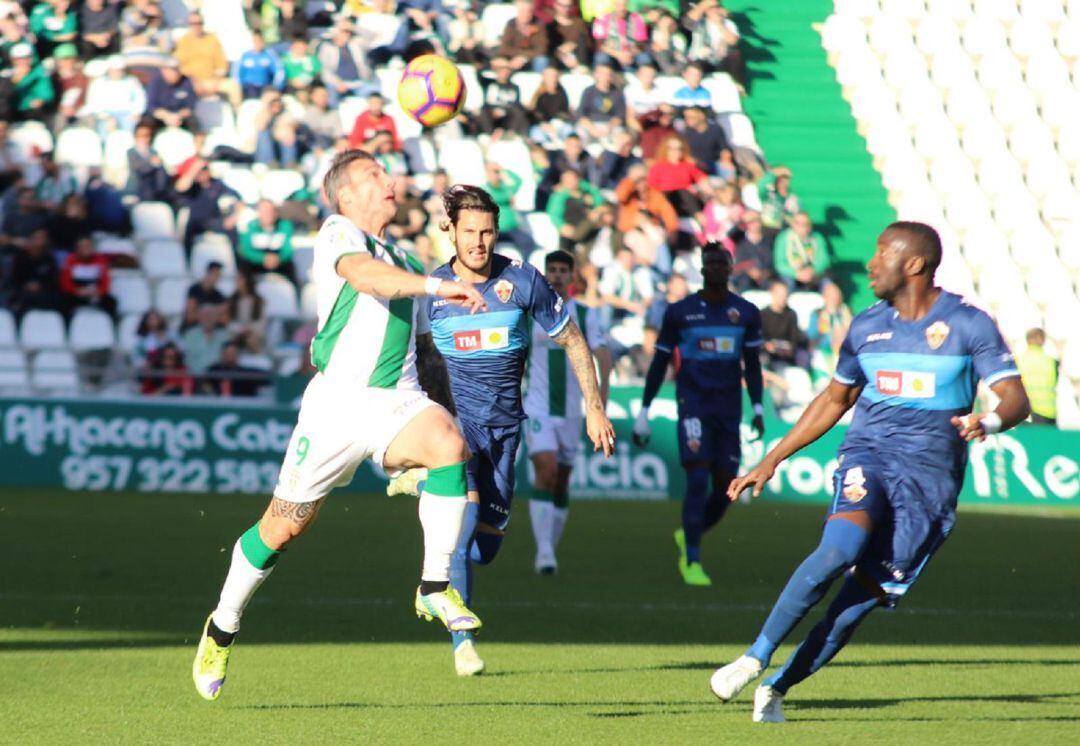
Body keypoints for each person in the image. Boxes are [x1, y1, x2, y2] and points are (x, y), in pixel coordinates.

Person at [192, 149, 489, 701]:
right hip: (336, 406)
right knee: (283, 527)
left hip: (395, 400)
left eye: (387, 172)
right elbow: (365, 278)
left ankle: (433, 585)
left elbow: (420, 348)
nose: (389, 180)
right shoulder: (337, 233)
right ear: (344, 194)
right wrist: (430, 285)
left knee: (449, 444)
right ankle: (223, 625)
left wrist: (449, 404)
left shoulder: (402, 257)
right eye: (374, 175)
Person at [709, 221, 1030, 723]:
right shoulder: (865, 327)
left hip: (930, 486)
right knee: (839, 549)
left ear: (915, 264)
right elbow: (835, 399)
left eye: (882, 253)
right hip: (869, 457)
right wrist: (772, 459)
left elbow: (1015, 398)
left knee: (854, 609)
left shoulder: (969, 325)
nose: (870, 263)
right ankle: (755, 656)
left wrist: (986, 420)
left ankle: (777, 687)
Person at [386, 185, 615, 677]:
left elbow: (574, 341)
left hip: (506, 432)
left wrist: (595, 408)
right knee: (461, 532)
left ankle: (422, 485)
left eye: (487, 231)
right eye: (470, 231)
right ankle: (462, 645)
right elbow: (424, 361)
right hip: (457, 431)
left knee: (484, 549)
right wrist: (428, 426)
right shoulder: (434, 291)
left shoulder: (522, 281)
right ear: (450, 231)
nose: (479, 242)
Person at [632, 244, 764, 586]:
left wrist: (759, 407)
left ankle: (689, 532)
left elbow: (751, 365)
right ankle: (692, 558)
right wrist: (644, 410)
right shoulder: (681, 312)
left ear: (731, 267)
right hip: (693, 404)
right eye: (711, 263)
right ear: (702, 269)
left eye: (723, 263)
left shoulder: (746, 312)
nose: (717, 268)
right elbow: (660, 361)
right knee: (696, 477)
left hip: (729, 408)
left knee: (727, 487)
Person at [525, 250, 613, 574]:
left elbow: (603, 358)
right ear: (546, 274)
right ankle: (544, 552)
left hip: (574, 413)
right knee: (545, 472)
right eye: (553, 270)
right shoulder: (531, 312)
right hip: (537, 410)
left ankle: (550, 548)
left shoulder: (586, 315)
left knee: (561, 482)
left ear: (573, 276)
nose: (558, 275)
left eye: (564, 270)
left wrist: (600, 405)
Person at [483, 161, 535, 256]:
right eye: (493, 172)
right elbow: (493, 198)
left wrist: (503, 170)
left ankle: (524, 268)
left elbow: (518, 180)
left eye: (497, 172)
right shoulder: (485, 189)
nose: (496, 175)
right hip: (494, 229)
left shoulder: (506, 188)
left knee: (528, 243)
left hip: (511, 229)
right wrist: (508, 198)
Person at [59, 237, 118, 320]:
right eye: (81, 246)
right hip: (77, 294)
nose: (85, 249)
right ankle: (66, 327)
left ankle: (112, 326)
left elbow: (106, 282)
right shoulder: (71, 260)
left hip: (95, 294)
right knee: (63, 301)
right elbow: (65, 282)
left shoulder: (100, 261)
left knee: (111, 302)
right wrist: (77, 291)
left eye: (87, 246)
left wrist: (98, 292)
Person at [238, 199, 296, 284]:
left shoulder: (285, 226)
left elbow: (288, 249)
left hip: (278, 261)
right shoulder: (251, 226)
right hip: (257, 262)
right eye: (264, 211)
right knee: (244, 269)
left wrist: (278, 258)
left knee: (290, 268)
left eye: (270, 211)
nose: (268, 214)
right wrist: (263, 258)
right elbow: (245, 249)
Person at [760, 279, 809, 372]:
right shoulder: (763, 314)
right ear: (772, 294)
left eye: (785, 295)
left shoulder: (791, 314)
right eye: (780, 294)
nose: (783, 298)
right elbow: (759, 337)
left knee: (803, 356)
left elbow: (794, 337)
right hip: (768, 352)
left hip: (787, 352)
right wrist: (767, 345)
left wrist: (789, 349)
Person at [806, 281, 852, 378]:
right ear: (825, 297)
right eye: (831, 296)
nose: (834, 299)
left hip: (844, 352)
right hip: (823, 351)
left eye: (836, 295)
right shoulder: (817, 314)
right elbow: (811, 338)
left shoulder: (846, 312)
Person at [774, 211, 830, 290]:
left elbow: (823, 259)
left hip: (812, 273)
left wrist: (813, 271)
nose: (805, 227)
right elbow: (779, 264)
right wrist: (796, 274)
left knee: (829, 286)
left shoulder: (817, 238)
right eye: (800, 224)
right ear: (793, 224)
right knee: (785, 286)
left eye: (807, 224)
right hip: (791, 274)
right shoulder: (783, 238)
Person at [1016, 328, 1058, 426]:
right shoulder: (1051, 361)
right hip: (1046, 412)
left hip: (1024, 412)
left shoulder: (1017, 360)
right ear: (1042, 340)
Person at [202, 341, 271, 396]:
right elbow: (204, 383)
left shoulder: (245, 372)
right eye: (227, 353)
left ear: (237, 354)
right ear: (222, 354)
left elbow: (267, 378)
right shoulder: (214, 370)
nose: (230, 356)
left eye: (233, 353)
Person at [497, 0, 550, 73]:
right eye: (522, 11)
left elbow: (541, 50)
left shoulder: (539, 25)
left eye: (529, 11)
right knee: (499, 62)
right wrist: (518, 56)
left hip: (531, 60)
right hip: (513, 59)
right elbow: (504, 49)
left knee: (542, 60)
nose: (526, 14)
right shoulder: (511, 25)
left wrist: (524, 58)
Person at [236, 31, 283, 99]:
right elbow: (236, 74)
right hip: (248, 87)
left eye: (260, 41)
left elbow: (279, 71)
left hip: (265, 86)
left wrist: (277, 86)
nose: (257, 43)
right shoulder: (244, 56)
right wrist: (240, 86)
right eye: (255, 41)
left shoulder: (270, 55)